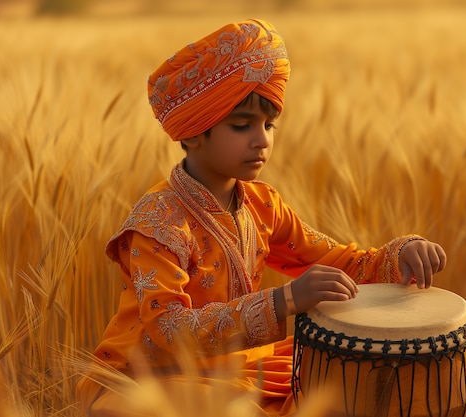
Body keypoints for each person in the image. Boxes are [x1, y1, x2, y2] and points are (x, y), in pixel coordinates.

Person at [75, 19, 447, 417]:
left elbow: (341, 264)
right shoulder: (157, 221)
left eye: (269, 125)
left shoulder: (263, 205)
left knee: (357, 376)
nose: (262, 139)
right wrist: (285, 300)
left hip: (241, 370)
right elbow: (169, 329)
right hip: (152, 379)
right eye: (242, 125)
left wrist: (401, 253)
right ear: (193, 133)